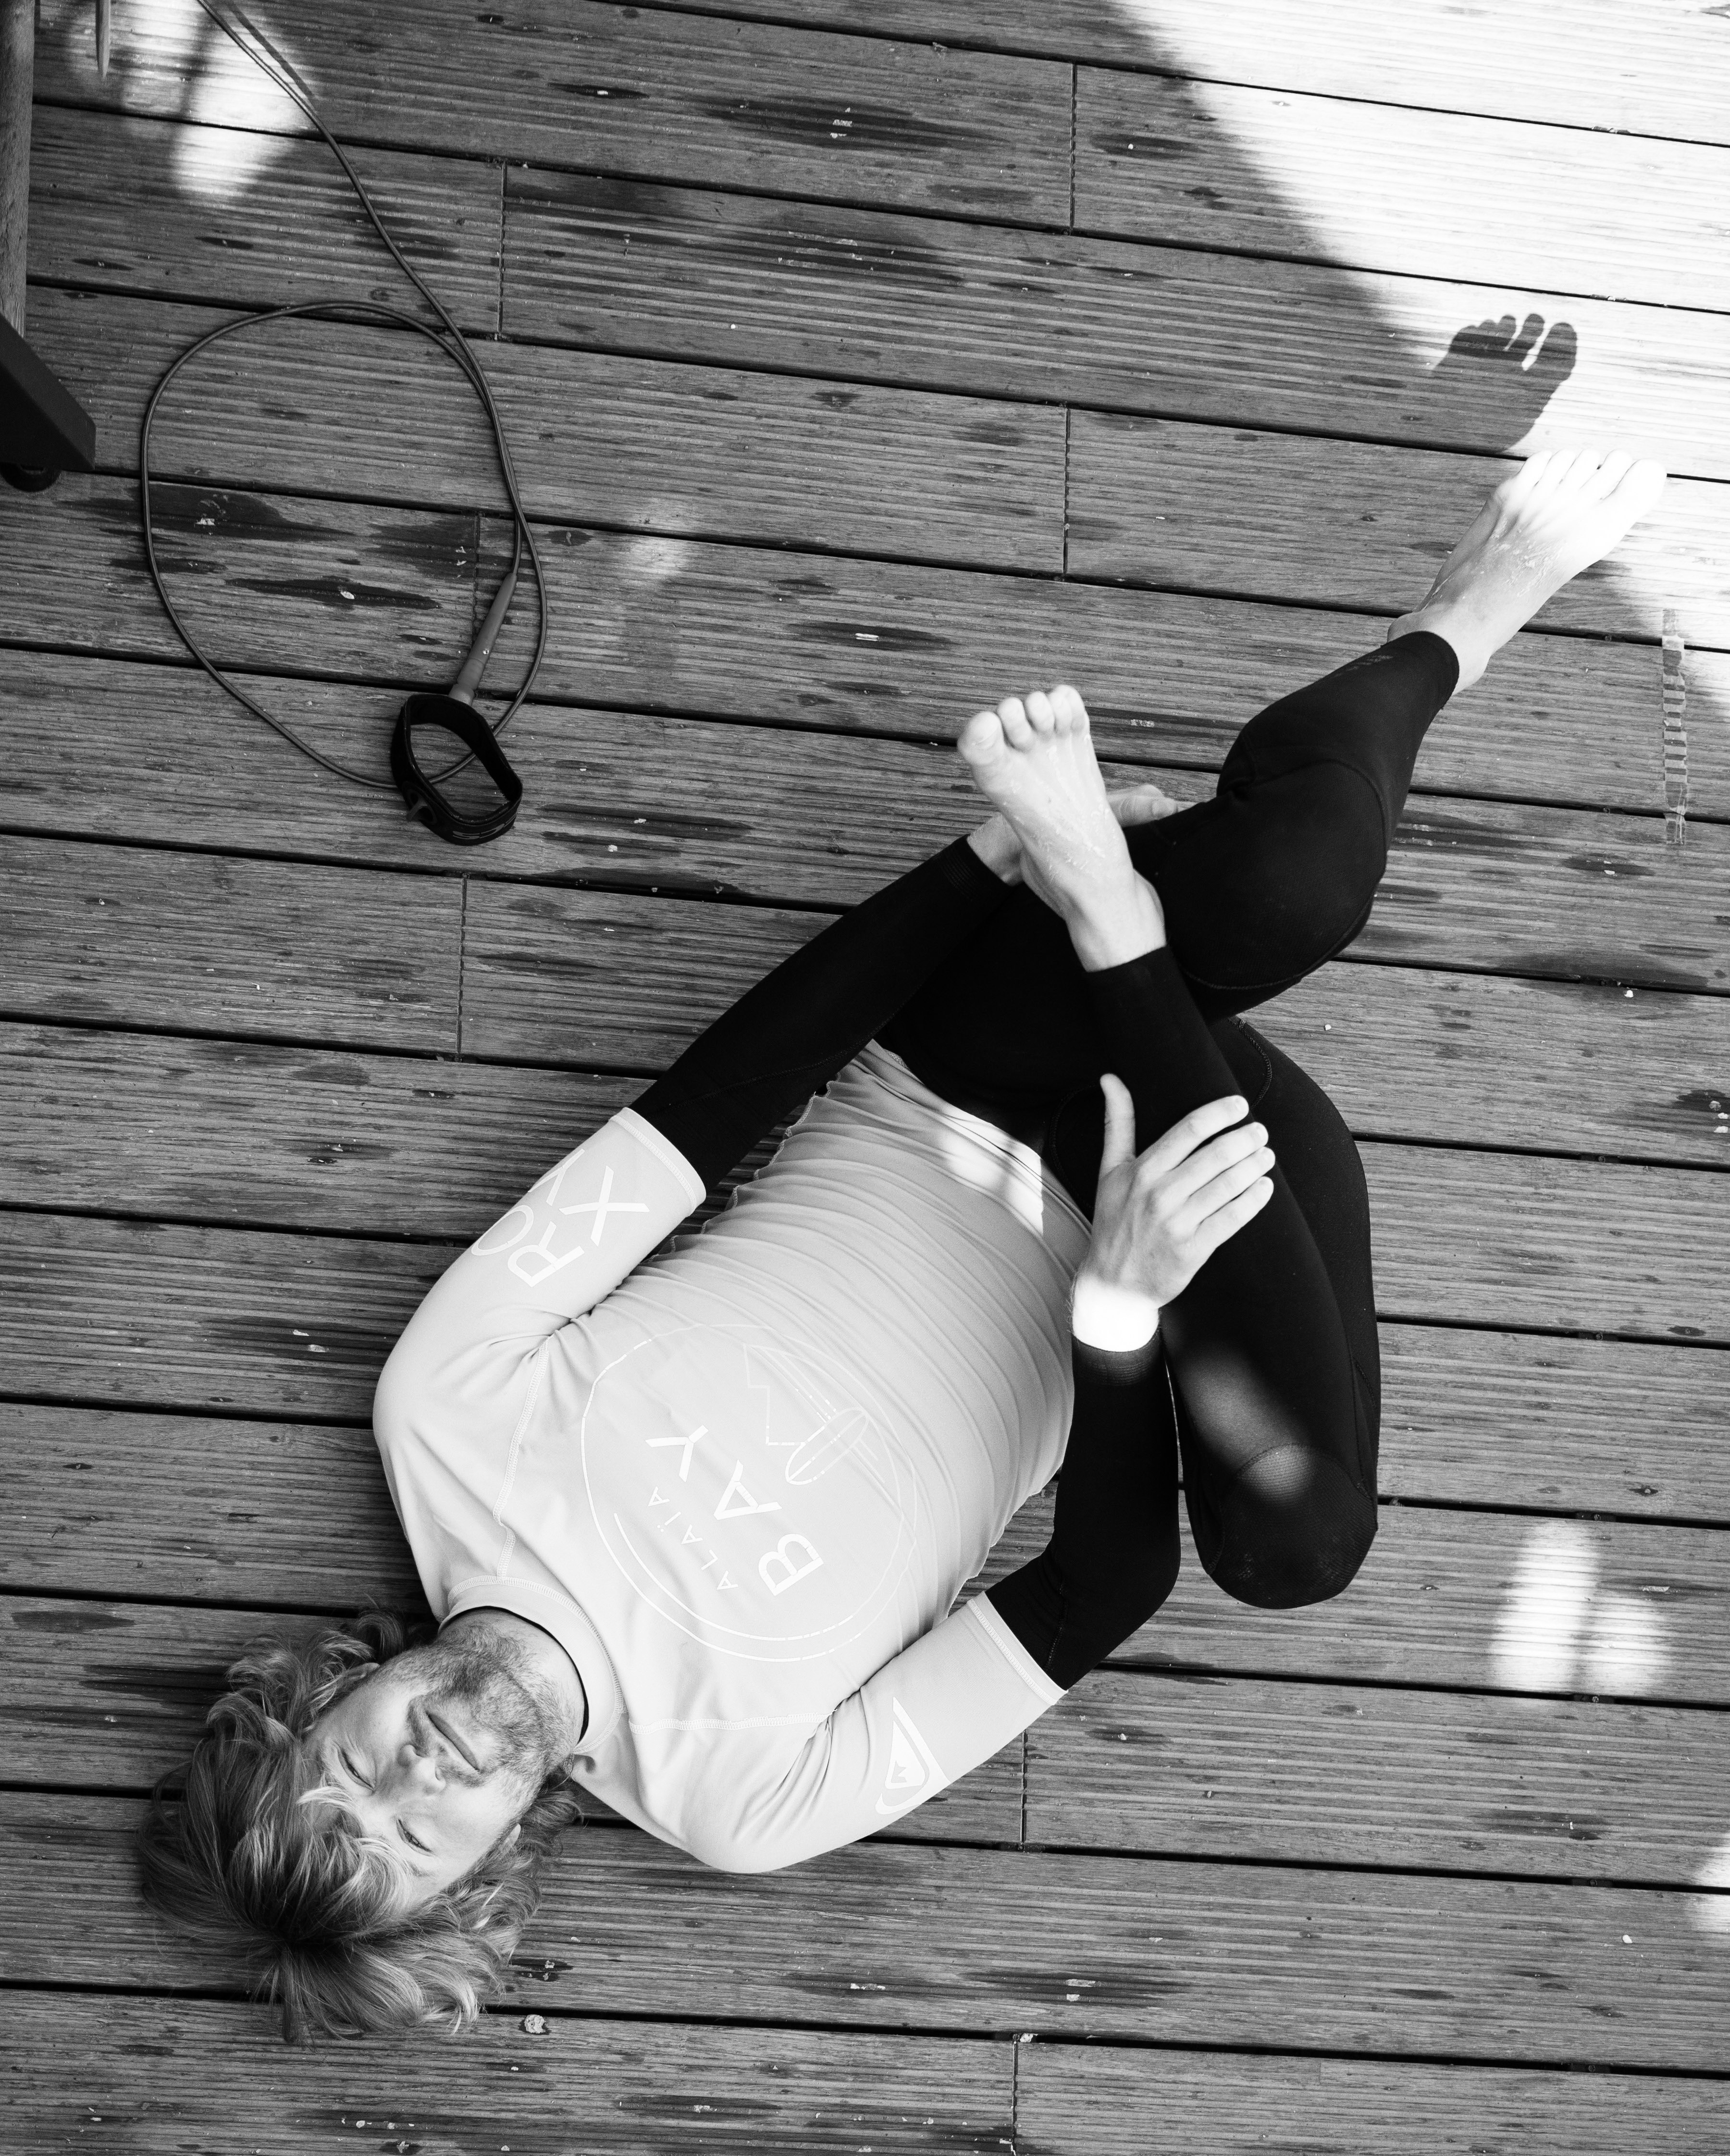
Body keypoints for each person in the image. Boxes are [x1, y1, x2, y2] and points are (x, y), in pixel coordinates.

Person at [140, 449, 1666, 2038]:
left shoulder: (443, 1419)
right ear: (480, 1876)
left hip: (970, 1059)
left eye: (346, 1777)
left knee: (1297, 877)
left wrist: (981, 864)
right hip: (1174, 1231)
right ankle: (1124, 927)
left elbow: (714, 1108)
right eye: (410, 1844)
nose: (413, 1778)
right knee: (1296, 1548)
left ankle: (1466, 612)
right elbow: (1104, 1578)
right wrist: (1122, 1311)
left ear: (325, 1695)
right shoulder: (743, 1801)